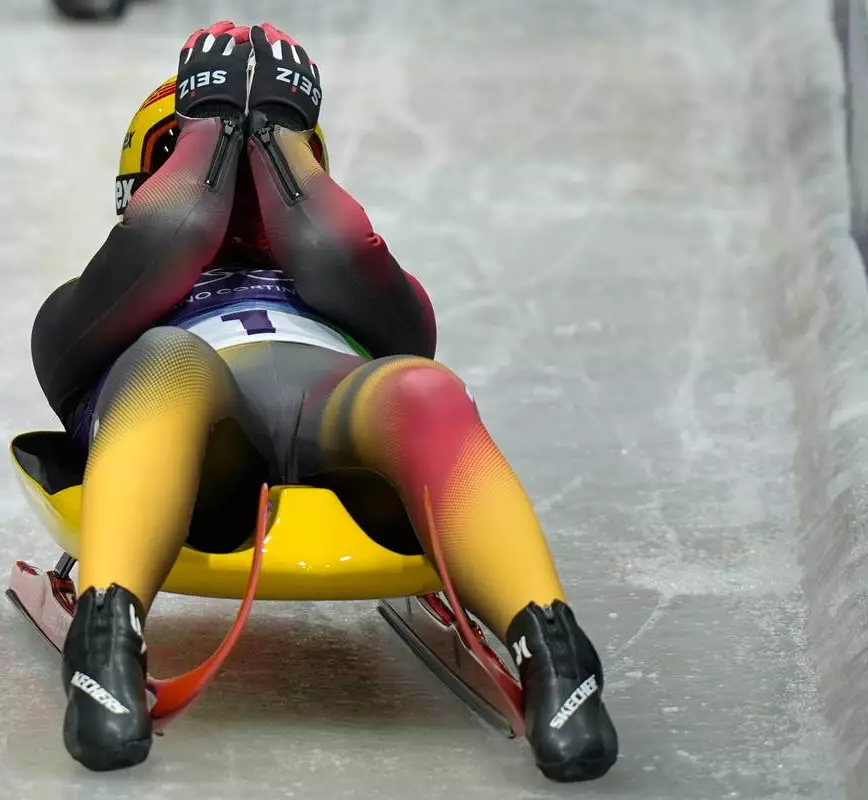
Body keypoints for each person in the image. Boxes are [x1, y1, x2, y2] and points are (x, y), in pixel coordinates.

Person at [30, 21, 619, 782]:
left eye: (261, 179)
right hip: (205, 446)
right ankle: (107, 639)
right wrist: (220, 129)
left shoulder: (360, 293)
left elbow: (340, 255)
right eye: (213, 168)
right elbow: (170, 234)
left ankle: (556, 650)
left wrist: (270, 134)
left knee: (421, 387)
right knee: (166, 357)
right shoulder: (79, 311)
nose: (239, 200)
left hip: (339, 416)